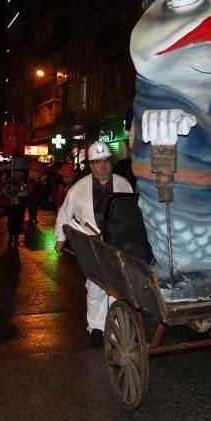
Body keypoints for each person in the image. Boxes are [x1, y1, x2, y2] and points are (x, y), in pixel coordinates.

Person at [54, 142, 132, 347]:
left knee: (117, 288)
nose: (103, 167)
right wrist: (60, 238)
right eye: (97, 163)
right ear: (91, 165)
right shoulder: (79, 188)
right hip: (92, 244)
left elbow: (132, 212)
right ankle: (96, 328)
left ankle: (115, 329)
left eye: (106, 161)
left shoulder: (123, 184)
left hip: (117, 245)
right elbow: (65, 214)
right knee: (96, 287)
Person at [2, 159, 29, 250]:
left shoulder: (22, 185)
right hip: (10, 206)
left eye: (19, 173)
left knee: (18, 223)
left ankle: (16, 239)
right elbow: (4, 191)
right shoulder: (9, 183)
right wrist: (9, 192)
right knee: (11, 223)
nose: (17, 175)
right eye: (15, 172)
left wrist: (17, 193)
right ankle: (10, 238)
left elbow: (25, 193)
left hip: (20, 207)